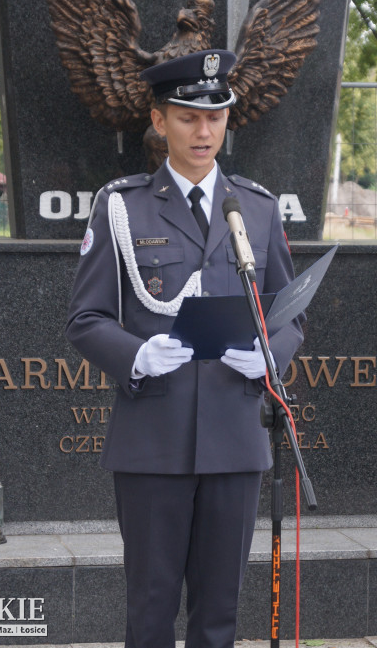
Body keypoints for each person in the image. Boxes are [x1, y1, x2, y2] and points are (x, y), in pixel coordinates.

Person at [66, 49, 304, 648]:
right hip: (154, 437)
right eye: (187, 118)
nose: (204, 132)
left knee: (220, 611)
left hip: (234, 432)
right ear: (158, 120)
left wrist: (272, 354)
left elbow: (290, 314)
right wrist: (136, 357)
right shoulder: (122, 207)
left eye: (216, 118)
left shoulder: (256, 207)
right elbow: (87, 319)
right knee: (150, 608)